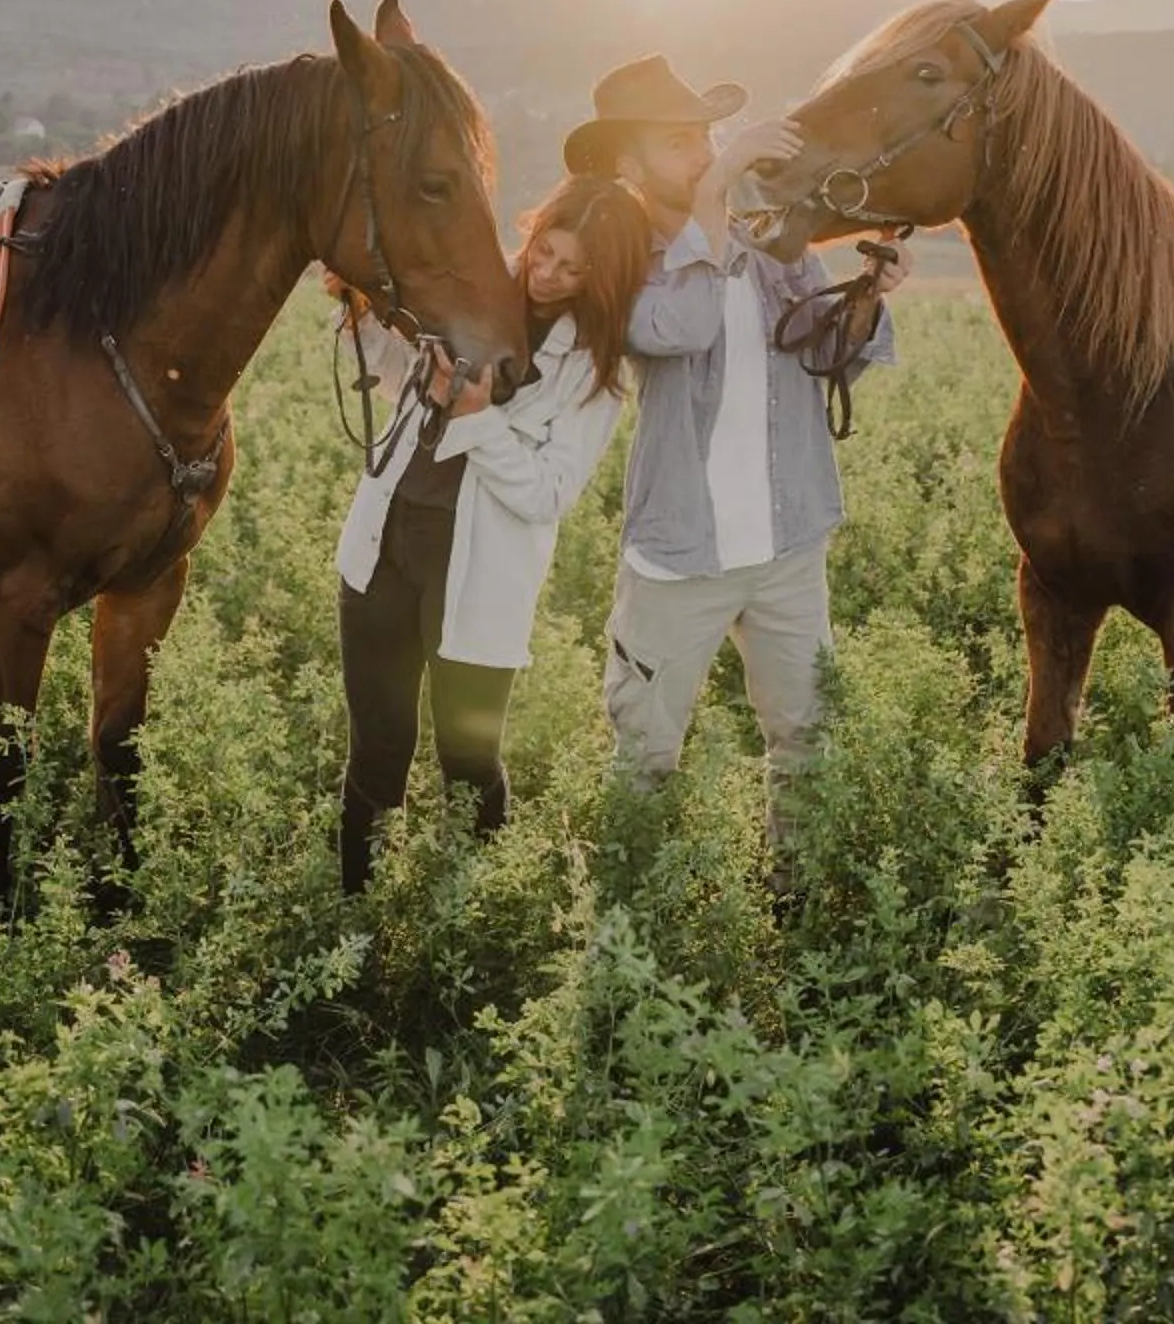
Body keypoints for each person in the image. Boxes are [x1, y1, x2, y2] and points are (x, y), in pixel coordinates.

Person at [564, 56, 906, 843]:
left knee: (808, 744)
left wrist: (864, 301)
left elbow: (831, 358)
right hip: (681, 557)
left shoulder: (772, 242)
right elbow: (679, 329)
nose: (704, 153)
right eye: (682, 141)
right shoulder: (620, 264)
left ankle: (793, 907)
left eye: (708, 137)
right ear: (628, 163)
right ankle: (628, 922)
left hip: (790, 541)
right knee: (646, 752)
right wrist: (718, 189)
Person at [330, 173, 651, 892]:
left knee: (468, 763)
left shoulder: (596, 373)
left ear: (604, 277)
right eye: (544, 253)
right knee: (376, 752)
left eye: (573, 268)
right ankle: (357, 917)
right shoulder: (470, 296)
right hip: (385, 544)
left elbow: (548, 494)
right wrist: (360, 321)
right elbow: (402, 381)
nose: (547, 275)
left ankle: (471, 925)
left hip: (476, 572)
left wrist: (477, 416)